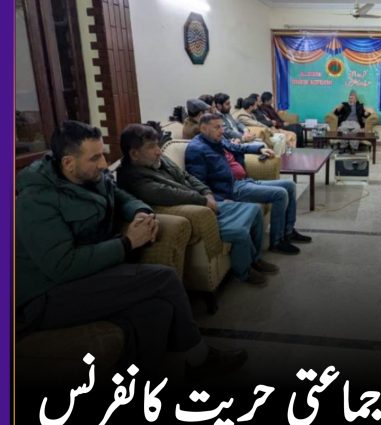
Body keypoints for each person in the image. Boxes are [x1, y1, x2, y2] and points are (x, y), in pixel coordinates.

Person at [15, 120, 246, 378]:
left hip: (89, 276)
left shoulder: (91, 177)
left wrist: (141, 212)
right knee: (164, 278)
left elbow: (121, 197)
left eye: (103, 154)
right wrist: (127, 243)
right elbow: (62, 266)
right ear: (68, 162)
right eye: (95, 158)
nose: (104, 164)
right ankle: (199, 359)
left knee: (158, 308)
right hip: (47, 296)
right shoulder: (36, 200)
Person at [117, 123, 279, 285]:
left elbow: (187, 176)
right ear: (134, 154)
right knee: (240, 230)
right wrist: (203, 200)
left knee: (254, 210)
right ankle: (244, 271)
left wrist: (207, 193)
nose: (158, 151)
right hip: (194, 208)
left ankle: (255, 258)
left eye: (157, 145)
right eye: (151, 147)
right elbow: (167, 194)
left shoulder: (159, 160)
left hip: (202, 200)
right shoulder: (132, 176)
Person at [185, 113, 312, 255]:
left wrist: (259, 149)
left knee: (290, 185)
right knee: (280, 194)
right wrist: (218, 199)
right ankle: (277, 242)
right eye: (217, 127)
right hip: (232, 189)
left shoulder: (216, 139)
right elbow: (198, 183)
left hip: (242, 181)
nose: (221, 130)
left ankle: (288, 232)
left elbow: (236, 148)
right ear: (203, 128)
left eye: (221, 126)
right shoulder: (196, 149)